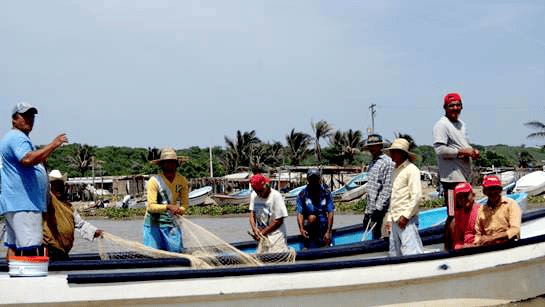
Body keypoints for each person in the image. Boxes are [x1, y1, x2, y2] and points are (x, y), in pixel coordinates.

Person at [0, 102, 68, 257]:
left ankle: (11, 279)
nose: (29, 119)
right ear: (14, 119)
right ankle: (29, 279)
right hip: (25, 203)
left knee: (15, 245)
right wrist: (53, 145)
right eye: (24, 116)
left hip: (15, 202)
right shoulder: (18, 137)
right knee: (30, 246)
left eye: (31, 116)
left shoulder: (13, 137)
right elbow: (27, 159)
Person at [433, 92, 480, 249]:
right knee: (452, 214)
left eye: (458, 105)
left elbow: (463, 144)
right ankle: (449, 248)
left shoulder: (461, 124)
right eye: (452, 105)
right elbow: (440, 150)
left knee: (464, 212)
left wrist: (472, 151)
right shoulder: (441, 125)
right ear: (445, 107)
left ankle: (463, 242)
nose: (455, 108)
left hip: (463, 178)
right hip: (451, 180)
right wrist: (463, 152)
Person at [43, 170, 103, 260]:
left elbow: (80, 224)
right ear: (50, 187)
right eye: (55, 185)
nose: (59, 188)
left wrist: (94, 231)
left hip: (63, 251)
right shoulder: (48, 201)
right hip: (50, 249)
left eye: (60, 185)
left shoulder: (69, 207)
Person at [143, 147, 189, 252]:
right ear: (162, 164)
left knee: (176, 252)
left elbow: (185, 204)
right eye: (167, 162)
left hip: (171, 222)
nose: (170, 165)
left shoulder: (182, 180)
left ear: (177, 164)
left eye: (172, 162)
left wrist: (180, 210)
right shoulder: (154, 181)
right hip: (153, 224)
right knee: (154, 255)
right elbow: (150, 206)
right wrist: (168, 207)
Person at [384, 138, 424, 256]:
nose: (391, 154)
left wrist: (405, 216)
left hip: (406, 220)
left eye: (394, 151)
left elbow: (416, 196)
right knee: (395, 253)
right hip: (395, 219)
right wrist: (389, 218)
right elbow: (394, 197)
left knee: (411, 253)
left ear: (402, 153)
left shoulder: (412, 170)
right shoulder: (395, 171)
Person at [362, 134, 394, 240]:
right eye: (370, 146)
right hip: (372, 210)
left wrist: (378, 210)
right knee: (375, 239)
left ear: (380, 146)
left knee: (384, 240)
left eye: (374, 146)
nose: (372, 149)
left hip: (383, 211)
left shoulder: (387, 162)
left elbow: (387, 188)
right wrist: (368, 213)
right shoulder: (372, 163)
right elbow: (371, 189)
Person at [475, 175, 521, 246]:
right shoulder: (481, 210)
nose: (493, 192)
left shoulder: (511, 204)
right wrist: (478, 242)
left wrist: (492, 238)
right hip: (489, 248)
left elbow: (515, 230)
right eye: (489, 189)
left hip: (509, 245)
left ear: (500, 190)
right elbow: (478, 234)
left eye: (495, 188)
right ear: (484, 192)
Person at [248, 174, 289, 253]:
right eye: (256, 191)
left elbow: (278, 220)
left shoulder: (276, 196)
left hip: (276, 237)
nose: (258, 194)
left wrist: (262, 233)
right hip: (262, 237)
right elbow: (251, 214)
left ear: (265, 187)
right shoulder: (254, 196)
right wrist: (254, 229)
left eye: (259, 191)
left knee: (277, 259)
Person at [296, 168, 334, 248]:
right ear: (308, 180)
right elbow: (299, 213)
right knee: (312, 217)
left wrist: (328, 231)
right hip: (309, 224)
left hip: (323, 223)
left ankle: (324, 240)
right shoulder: (302, 194)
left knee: (326, 243)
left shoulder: (326, 193)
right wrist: (301, 229)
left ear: (319, 179)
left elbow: (330, 212)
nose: (313, 181)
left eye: (315, 179)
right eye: (311, 179)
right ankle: (307, 243)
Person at [446, 182, 479, 250]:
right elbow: (457, 239)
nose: (463, 199)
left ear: (473, 195)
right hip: (464, 250)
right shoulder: (458, 215)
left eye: (466, 195)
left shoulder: (481, 211)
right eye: (459, 197)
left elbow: (487, 236)